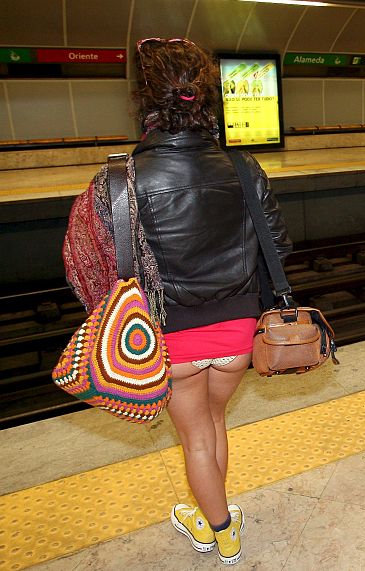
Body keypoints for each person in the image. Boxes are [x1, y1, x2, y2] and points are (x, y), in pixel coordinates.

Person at [62, 38, 292, 565]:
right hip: (237, 334)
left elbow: (84, 262)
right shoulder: (242, 166)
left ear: (145, 102)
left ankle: (220, 529)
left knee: (195, 439)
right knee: (214, 425)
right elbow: (278, 244)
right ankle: (213, 507)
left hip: (174, 340)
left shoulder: (118, 180)